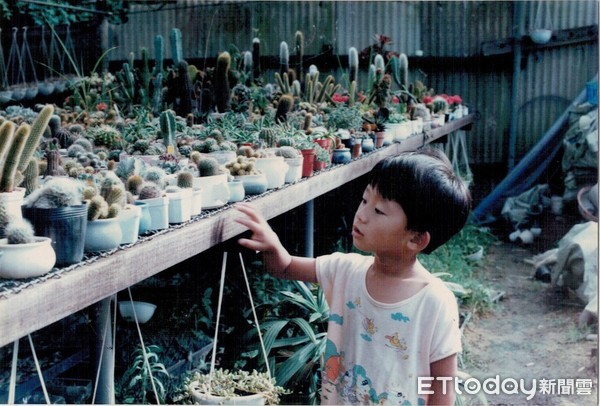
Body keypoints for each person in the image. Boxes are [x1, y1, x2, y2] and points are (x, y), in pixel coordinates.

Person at [235, 146, 471, 405]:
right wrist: (272, 245)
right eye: (364, 199)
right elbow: (286, 267)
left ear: (415, 238)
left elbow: (442, 387)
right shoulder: (346, 270)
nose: (362, 214)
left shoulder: (435, 302)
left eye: (379, 211)